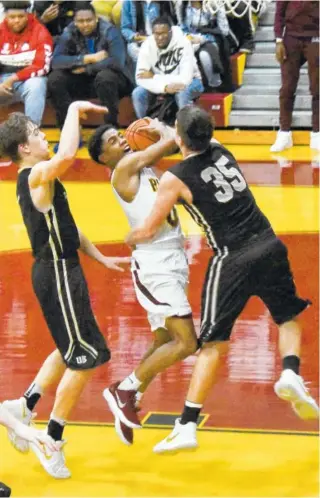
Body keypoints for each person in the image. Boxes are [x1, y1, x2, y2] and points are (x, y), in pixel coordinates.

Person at [126, 105, 319, 453]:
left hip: (232, 258)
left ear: (180, 138)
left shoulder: (174, 178)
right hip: (269, 243)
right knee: (288, 317)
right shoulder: (221, 149)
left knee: (212, 345)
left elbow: (150, 228)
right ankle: (290, 372)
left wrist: (130, 236)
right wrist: (168, 130)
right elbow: (192, 134)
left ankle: (186, 425)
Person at [0, 101, 130, 478]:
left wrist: (100, 258)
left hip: (61, 269)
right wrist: (73, 109)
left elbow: (68, 227)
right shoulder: (37, 174)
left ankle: (24, 405)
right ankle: (51, 438)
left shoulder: (41, 178)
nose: (46, 139)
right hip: (56, 274)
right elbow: (69, 153)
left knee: (70, 346)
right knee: (87, 356)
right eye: (39, 135)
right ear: (25, 148)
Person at [88, 119, 198, 445]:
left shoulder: (144, 169)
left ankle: (130, 395)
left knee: (164, 339)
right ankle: (124, 389)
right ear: (102, 158)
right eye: (111, 140)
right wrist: (160, 127)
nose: (120, 139)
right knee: (187, 342)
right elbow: (170, 142)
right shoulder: (122, 170)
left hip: (173, 256)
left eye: (119, 134)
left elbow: (172, 151)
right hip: (155, 265)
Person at [48, 3, 134, 137]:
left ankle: (109, 129)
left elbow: (117, 62)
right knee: (55, 79)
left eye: (89, 20)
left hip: (114, 83)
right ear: (75, 22)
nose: (85, 24)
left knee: (105, 77)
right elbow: (56, 61)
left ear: (96, 19)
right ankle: (69, 131)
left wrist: (86, 69)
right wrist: (88, 59)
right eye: (80, 21)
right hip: (84, 81)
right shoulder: (69, 31)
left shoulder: (109, 31)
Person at [132, 15, 203, 120]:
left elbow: (185, 79)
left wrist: (155, 77)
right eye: (157, 34)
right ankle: (146, 129)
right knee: (138, 93)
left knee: (182, 93)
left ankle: (188, 130)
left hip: (193, 82)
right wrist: (164, 87)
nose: (160, 37)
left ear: (170, 32)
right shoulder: (147, 45)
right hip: (163, 84)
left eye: (163, 33)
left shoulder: (183, 43)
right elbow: (140, 78)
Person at [271, 0, 319, 152]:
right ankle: (284, 133)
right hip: (290, 37)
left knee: (317, 88)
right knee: (287, 88)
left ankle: (317, 133)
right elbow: (279, 13)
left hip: (315, 36)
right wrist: (278, 40)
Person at [0, 1, 53, 126]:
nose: (17, 20)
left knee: (37, 84)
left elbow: (42, 66)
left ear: (28, 15)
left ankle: (31, 134)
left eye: (21, 16)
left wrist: (13, 79)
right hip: (2, 82)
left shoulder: (40, 32)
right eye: (12, 17)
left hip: (26, 82)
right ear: (5, 16)